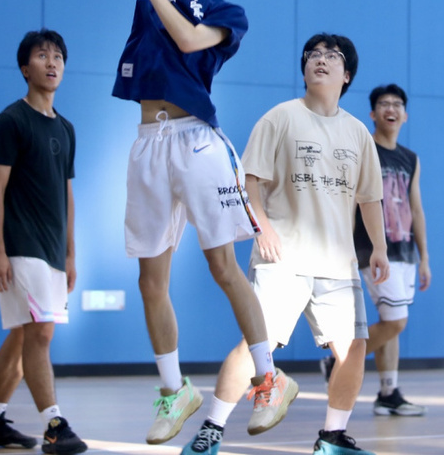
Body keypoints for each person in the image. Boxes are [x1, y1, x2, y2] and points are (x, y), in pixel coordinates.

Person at [113, 0, 294, 446]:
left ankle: (269, 377)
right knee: (148, 277)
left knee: (224, 268)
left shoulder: (223, 11)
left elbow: (189, 42)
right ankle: (173, 390)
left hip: (195, 140)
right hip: (147, 141)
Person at [181, 34, 389, 455]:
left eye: (333, 56)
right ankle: (211, 430)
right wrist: (263, 229)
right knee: (258, 343)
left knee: (353, 348)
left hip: (338, 262)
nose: (321, 60)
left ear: (346, 74)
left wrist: (380, 249)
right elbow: (250, 179)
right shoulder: (279, 117)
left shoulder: (358, 134)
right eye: (313, 55)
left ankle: (332, 437)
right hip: (283, 256)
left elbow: (370, 200)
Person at [0, 29, 86, 455]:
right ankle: (54, 424)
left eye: (58, 56)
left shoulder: (67, 129)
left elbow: (67, 193)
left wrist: (72, 253)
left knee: (24, 337)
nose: (52, 62)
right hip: (22, 247)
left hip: (54, 253)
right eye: (42, 55)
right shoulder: (10, 122)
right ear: (25, 68)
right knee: (40, 334)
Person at [354, 83, 430, 416]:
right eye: (384, 104)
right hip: (372, 249)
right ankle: (340, 359)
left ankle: (388, 393)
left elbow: (416, 209)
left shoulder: (410, 159)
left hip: (404, 250)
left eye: (397, 104)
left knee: (391, 318)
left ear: (405, 114)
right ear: (372, 114)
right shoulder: (363, 150)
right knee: (397, 321)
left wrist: (424, 257)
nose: (391, 109)